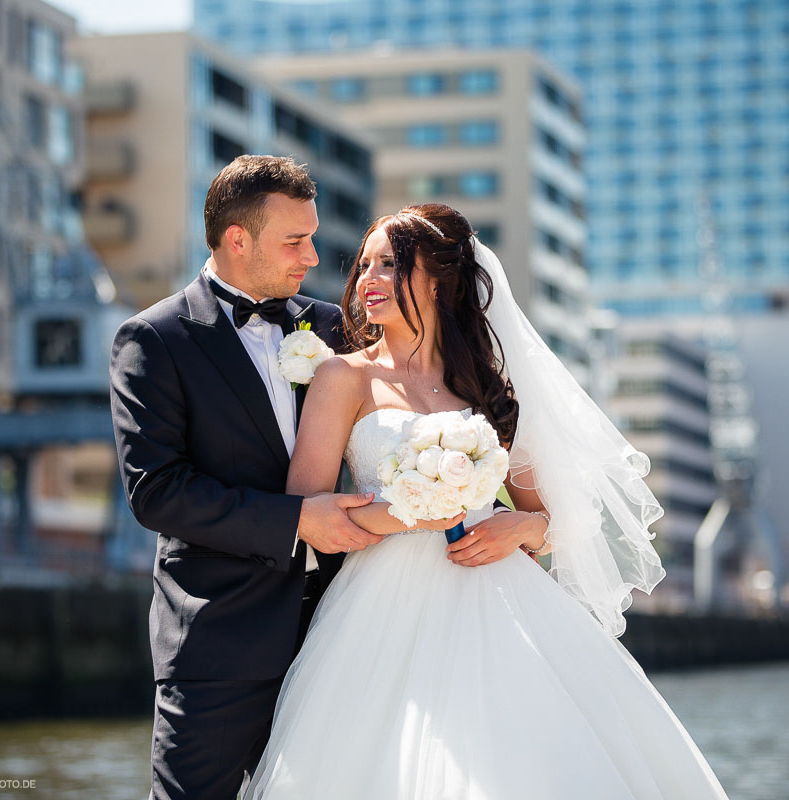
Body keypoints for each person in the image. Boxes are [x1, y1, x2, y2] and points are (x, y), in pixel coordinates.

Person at [244, 204, 729, 798]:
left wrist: (516, 530)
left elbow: (548, 520)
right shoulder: (343, 378)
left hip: (502, 596)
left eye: (390, 265)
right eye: (364, 266)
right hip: (381, 609)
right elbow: (309, 514)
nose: (367, 280)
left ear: (439, 280)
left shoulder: (487, 387)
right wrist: (405, 512)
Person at [109, 155, 384, 800]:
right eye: (295, 240)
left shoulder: (336, 329)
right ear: (238, 239)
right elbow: (157, 490)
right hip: (219, 645)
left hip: (343, 630)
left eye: (313, 236)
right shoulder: (153, 340)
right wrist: (297, 521)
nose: (312, 256)